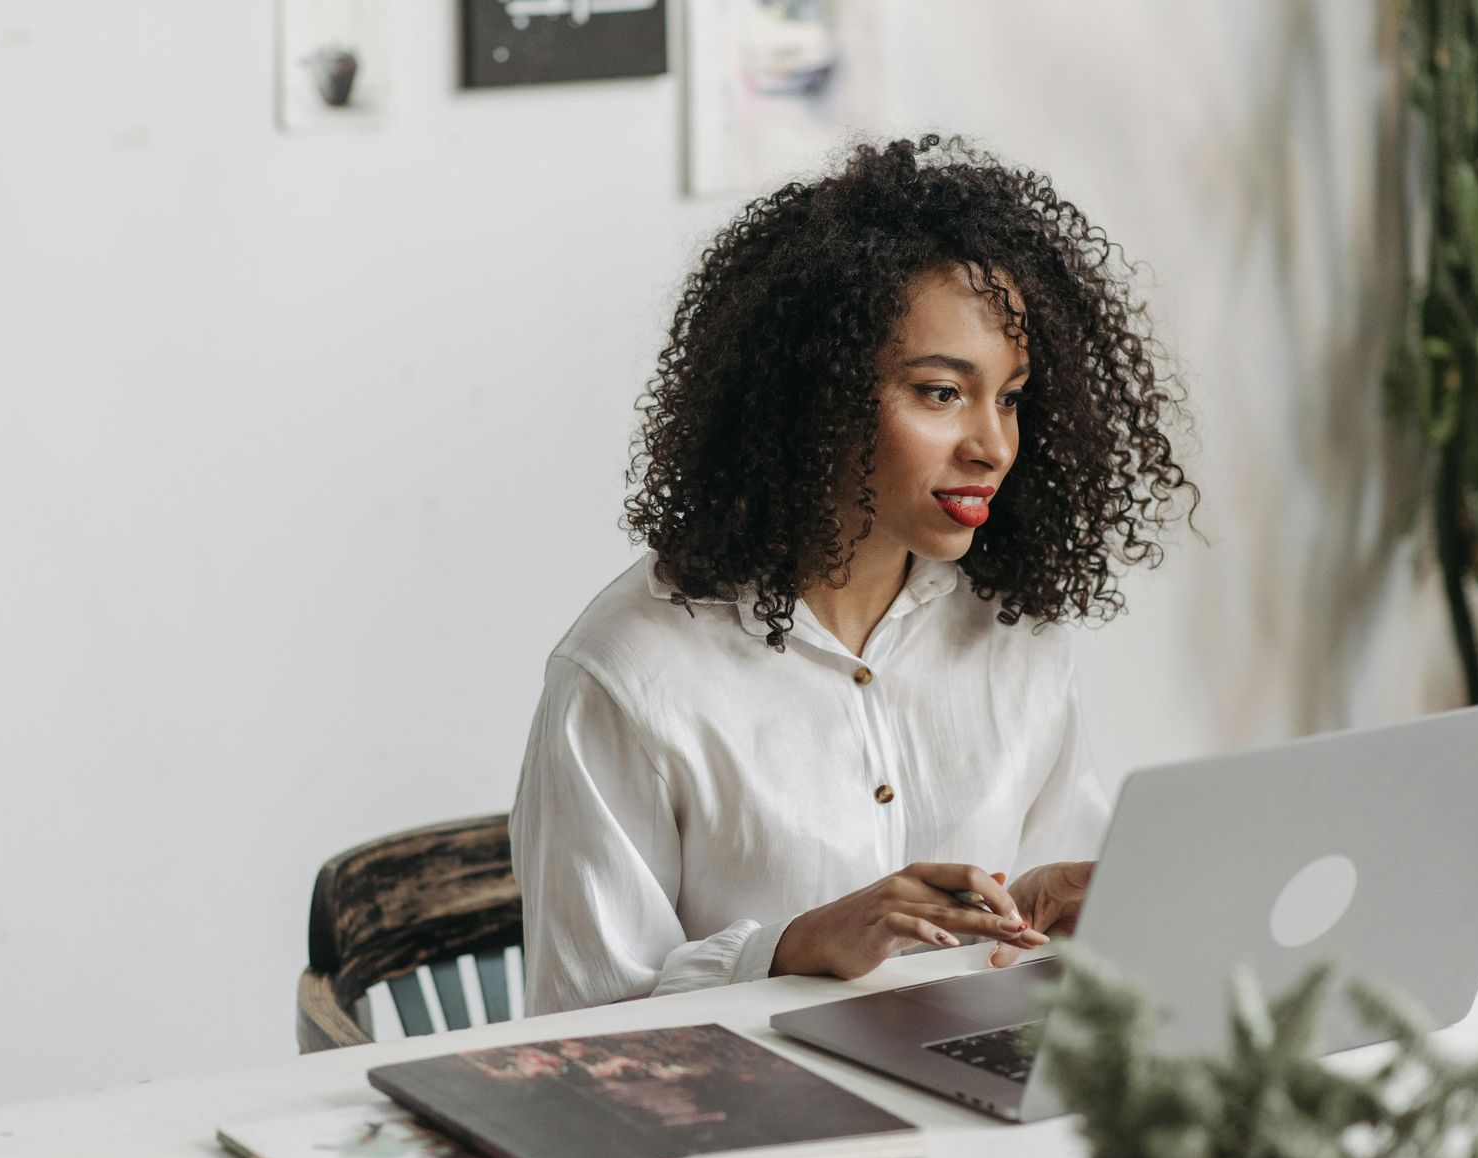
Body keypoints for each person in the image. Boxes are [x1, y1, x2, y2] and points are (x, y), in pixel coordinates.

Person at [510, 135, 1197, 1016]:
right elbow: (585, 1027)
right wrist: (791, 948)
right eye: (942, 392)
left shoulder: (1012, 633)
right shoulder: (627, 678)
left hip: (974, 1102)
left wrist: (1052, 905)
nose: (993, 445)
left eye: (1012, 396)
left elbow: (1043, 949)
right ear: (818, 394)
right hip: (751, 1132)